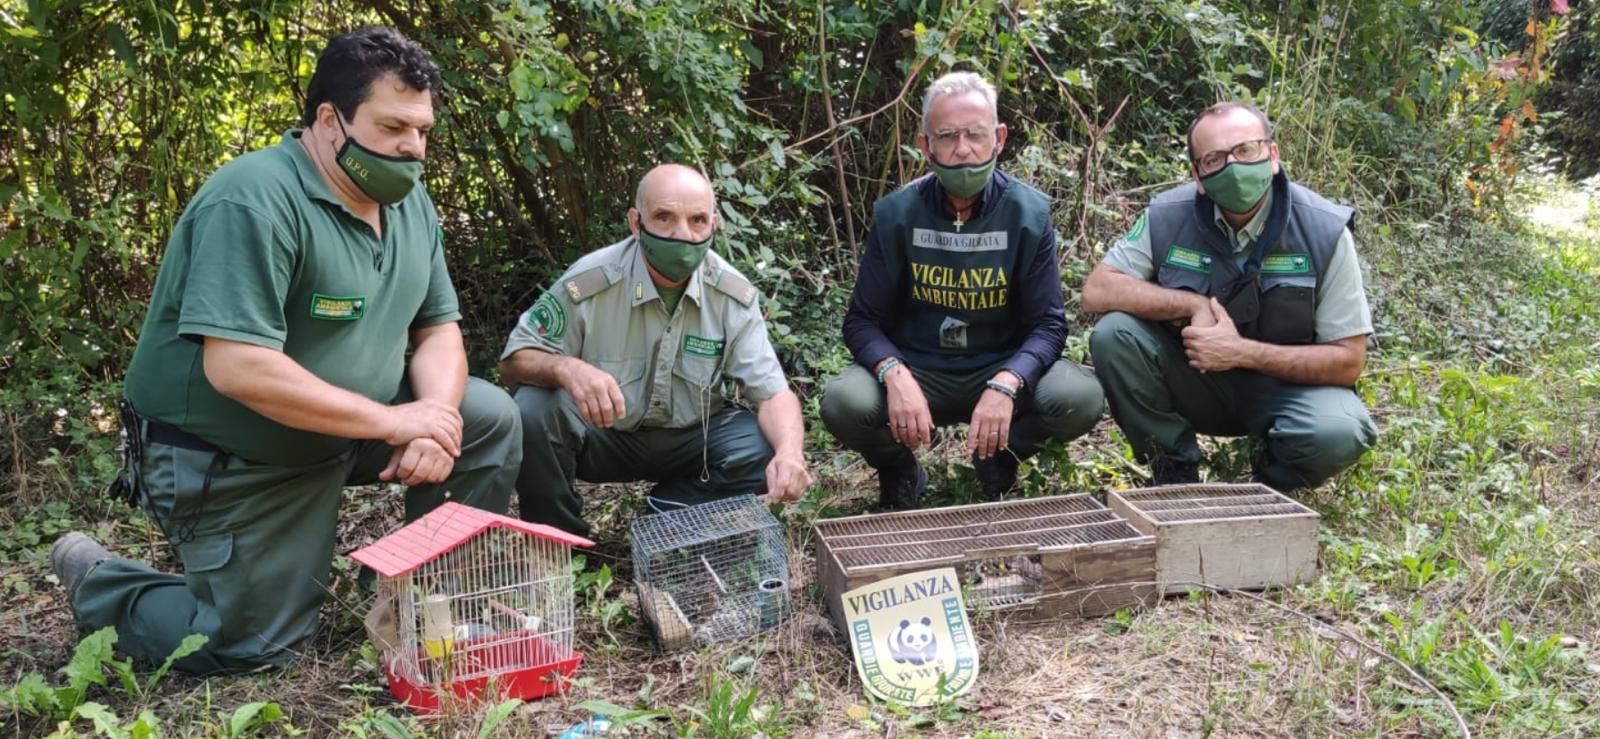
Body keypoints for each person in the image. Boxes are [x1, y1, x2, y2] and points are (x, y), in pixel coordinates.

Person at [47, 27, 522, 675]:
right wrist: (395, 421)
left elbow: (437, 328)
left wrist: (432, 418)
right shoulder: (253, 199)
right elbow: (237, 365)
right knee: (252, 651)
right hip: (235, 457)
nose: (413, 147)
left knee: (485, 415)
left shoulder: (407, 201)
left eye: (423, 130)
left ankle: (418, 594)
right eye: (393, 127)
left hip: (342, 429)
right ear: (330, 120)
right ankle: (101, 580)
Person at [820, 71, 1106, 510]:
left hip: (998, 363)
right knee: (844, 401)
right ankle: (899, 468)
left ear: (999, 138)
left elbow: (1048, 325)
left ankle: (998, 456)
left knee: (1079, 397)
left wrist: (1008, 384)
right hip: (919, 369)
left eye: (976, 134)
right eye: (947, 136)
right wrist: (894, 373)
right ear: (925, 145)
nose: (963, 150)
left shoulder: (1028, 214)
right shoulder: (898, 214)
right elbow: (862, 320)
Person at [1081, 101, 1377, 490]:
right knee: (1113, 333)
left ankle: (1269, 481)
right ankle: (1173, 470)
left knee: (1340, 431)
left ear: (1272, 155)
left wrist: (1241, 352)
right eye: (1215, 159)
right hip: (1196, 380)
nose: (1233, 167)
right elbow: (1097, 290)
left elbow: (1348, 361)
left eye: (1246, 150)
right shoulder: (1167, 215)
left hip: (1288, 388)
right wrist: (1191, 304)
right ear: (1199, 176)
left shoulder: (1324, 230)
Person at [502, 164, 811, 537]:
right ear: (636, 223)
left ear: (714, 224)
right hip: (603, 436)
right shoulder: (592, 280)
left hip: (689, 439)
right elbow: (515, 361)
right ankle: (558, 541)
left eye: (697, 221)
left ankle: (668, 514)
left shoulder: (731, 294)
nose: (683, 235)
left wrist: (790, 455)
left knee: (764, 445)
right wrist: (567, 368)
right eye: (664, 217)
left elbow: (774, 393)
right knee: (533, 410)